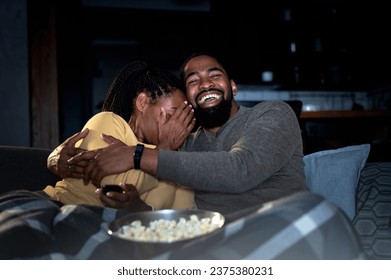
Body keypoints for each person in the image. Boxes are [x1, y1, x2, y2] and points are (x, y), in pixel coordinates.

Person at [56, 52, 308, 215]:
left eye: (215, 75)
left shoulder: (271, 114)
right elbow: (173, 210)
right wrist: (55, 158)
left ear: (232, 86)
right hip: (217, 243)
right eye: (193, 81)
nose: (206, 83)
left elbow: (240, 170)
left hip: (283, 224)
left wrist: (136, 155)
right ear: (188, 99)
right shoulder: (184, 145)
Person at [43, 60, 196, 211]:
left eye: (184, 120)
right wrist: (164, 149)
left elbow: (184, 217)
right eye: (172, 116)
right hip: (56, 207)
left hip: (111, 227)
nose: (177, 127)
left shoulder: (175, 159)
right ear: (143, 102)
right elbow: (112, 189)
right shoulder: (109, 121)